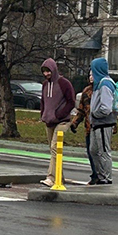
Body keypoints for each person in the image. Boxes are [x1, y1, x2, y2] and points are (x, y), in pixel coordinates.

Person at [39, 58, 76, 187]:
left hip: (62, 121)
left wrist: (58, 115)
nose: (46, 74)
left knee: (55, 147)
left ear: (54, 70)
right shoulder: (44, 85)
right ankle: (60, 176)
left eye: (48, 71)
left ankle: (51, 177)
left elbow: (71, 101)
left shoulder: (64, 83)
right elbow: (43, 101)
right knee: (53, 149)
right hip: (49, 122)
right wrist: (43, 114)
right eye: (44, 72)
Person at [88, 58, 117, 185]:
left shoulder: (105, 84)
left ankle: (107, 178)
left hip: (104, 123)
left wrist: (94, 114)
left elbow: (106, 108)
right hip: (97, 124)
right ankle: (101, 175)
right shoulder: (99, 84)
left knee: (104, 151)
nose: (91, 73)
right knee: (93, 150)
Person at [69, 81, 99, 184]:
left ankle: (101, 175)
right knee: (91, 152)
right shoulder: (87, 91)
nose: (91, 77)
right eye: (90, 74)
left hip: (100, 127)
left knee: (99, 153)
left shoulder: (103, 88)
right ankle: (95, 174)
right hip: (89, 127)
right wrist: (75, 123)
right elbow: (81, 110)